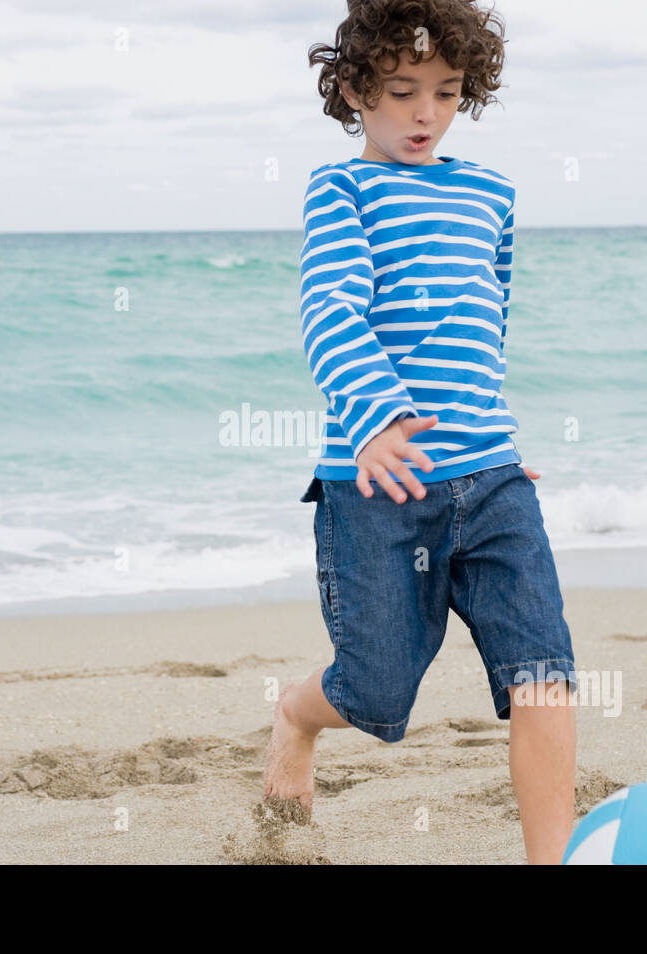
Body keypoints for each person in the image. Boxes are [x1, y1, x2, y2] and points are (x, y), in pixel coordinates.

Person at [263, 0, 579, 864]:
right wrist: (377, 421)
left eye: (445, 92)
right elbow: (329, 308)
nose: (425, 113)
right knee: (375, 688)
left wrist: (494, 435)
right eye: (402, 91)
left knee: (544, 673)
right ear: (356, 90)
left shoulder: (491, 193)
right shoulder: (342, 188)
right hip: (376, 485)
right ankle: (297, 712)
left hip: (492, 476)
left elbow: (489, 318)